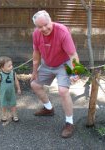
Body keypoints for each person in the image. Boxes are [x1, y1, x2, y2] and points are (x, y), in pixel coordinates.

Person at [30, 10, 80, 138]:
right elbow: (36, 54)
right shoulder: (36, 34)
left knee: (63, 91)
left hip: (64, 63)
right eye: (40, 27)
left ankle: (69, 123)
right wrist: (34, 71)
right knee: (34, 84)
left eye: (46, 24)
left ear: (50, 20)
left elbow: (72, 54)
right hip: (48, 63)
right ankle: (48, 109)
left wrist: (75, 72)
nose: (44, 29)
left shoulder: (62, 31)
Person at [0, 56, 21, 122]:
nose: (11, 67)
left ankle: (14, 115)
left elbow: (16, 81)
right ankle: (4, 115)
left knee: (13, 104)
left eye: (11, 65)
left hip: (12, 92)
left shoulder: (13, 73)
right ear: (2, 68)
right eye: (9, 66)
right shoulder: (0, 75)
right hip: (3, 93)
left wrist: (18, 89)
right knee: (3, 104)